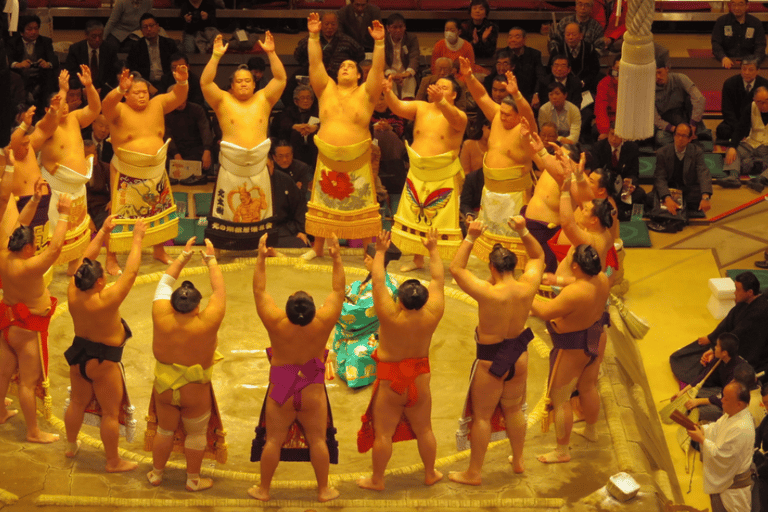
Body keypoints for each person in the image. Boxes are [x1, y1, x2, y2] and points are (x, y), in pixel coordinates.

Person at [448, 216, 545, 484]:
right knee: (514, 410)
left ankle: (474, 473)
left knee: (482, 416)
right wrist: (523, 230)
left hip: (491, 363)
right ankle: (519, 460)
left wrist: (471, 236)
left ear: (491, 267)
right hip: (519, 357)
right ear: (515, 266)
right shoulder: (528, 286)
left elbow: (456, 268)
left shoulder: (488, 292)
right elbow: (538, 256)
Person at [249, 234, 344, 502]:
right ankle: (324, 490)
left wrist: (260, 258)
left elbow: (259, 291)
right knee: (318, 440)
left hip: (281, 389)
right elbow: (338, 291)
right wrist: (336, 257)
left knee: (273, 441)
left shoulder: (276, 322)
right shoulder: (323, 321)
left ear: (287, 308)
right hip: (312, 389)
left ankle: (263, 490)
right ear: (314, 310)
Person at [356, 229, 445, 491]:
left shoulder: (390, 317)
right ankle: (430, 473)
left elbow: (378, 283)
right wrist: (433, 249)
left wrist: (381, 252)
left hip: (391, 383)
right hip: (420, 380)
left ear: (400, 301)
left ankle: (377, 479)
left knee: (384, 434)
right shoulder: (434, 312)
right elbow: (438, 278)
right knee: (425, 429)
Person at [63, 217, 146, 472]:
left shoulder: (73, 291)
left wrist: (102, 233)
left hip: (78, 357)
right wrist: (138, 238)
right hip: (103, 362)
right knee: (110, 414)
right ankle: (113, 461)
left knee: (77, 402)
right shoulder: (106, 299)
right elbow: (131, 272)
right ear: (99, 282)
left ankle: (70, 445)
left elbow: (83, 262)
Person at [301, 13, 385, 261]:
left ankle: (368, 252)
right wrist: (314, 36)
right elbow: (315, 64)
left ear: (360, 75)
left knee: (364, 207)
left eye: (351, 67)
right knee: (322, 205)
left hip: (357, 159)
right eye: (342, 66)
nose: (345, 68)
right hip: (327, 158)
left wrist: (379, 44)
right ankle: (317, 248)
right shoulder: (325, 89)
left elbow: (378, 70)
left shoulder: (367, 93)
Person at [147, 237, 226, 492]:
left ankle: (156, 474)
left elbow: (164, 283)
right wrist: (211, 259)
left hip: (165, 387)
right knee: (195, 434)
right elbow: (219, 291)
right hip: (195, 391)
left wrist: (182, 256)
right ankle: (193, 480)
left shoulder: (160, 314)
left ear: (172, 304)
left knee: (165, 430)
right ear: (197, 305)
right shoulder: (208, 321)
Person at [0, 174, 71, 443]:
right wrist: (63, 214)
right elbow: (54, 250)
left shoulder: (4, 253)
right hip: (26, 329)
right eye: (34, 245)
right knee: (28, 384)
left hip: (7, 322)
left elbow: (20, 222)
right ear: (29, 248)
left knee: (3, 372)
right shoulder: (30, 267)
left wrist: (37, 200)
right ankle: (33, 432)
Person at [201, 33, 286, 251]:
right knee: (226, 210)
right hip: (231, 165)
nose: (243, 84)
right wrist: (216, 56)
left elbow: (280, 79)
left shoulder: (264, 99)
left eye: (247, 81)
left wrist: (271, 53)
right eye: (238, 81)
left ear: (255, 84)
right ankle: (218, 247)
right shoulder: (222, 100)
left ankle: (265, 247)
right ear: (231, 85)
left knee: (262, 208)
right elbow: (205, 82)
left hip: (258, 165)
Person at [530, 244, 610, 463]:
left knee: (560, 397)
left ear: (575, 265)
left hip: (573, 346)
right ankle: (592, 431)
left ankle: (562, 451)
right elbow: (579, 282)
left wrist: (526, 293)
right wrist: (557, 281)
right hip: (596, 335)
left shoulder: (576, 293)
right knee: (588, 386)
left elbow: (546, 311)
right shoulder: (601, 278)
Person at [101, 65, 188, 266]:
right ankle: (111, 257)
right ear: (126, 95)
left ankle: (159, 250)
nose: (142, 96)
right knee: (117, 214)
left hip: (156, 170)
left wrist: (182, 82)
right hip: (126, 170)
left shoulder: (157, 104)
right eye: (136, 93)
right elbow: (106, 104)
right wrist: (119, 89)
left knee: (157, 211)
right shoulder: (118, 110)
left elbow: (177, 97)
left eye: (144, 93)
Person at [382, 71, 467, 272]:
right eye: (436, 85)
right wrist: (388, 92)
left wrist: (442, 102)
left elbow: (455, 121)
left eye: (444, 87)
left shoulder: (459, 115)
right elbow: (398, 107)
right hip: (418, 171)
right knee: (415, 216)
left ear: (454, 95)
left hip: (443, 174)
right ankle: (418, 259)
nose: (438, 89)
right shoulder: (421, 107)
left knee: (444, 220)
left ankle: (454, 265)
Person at [459, 57, 537, 264]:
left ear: (519, 116)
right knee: (492, 241)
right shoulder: (496, 116)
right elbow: (482, 96)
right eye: (501, 112)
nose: (502, 117)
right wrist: (469, 77)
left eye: (507, 115)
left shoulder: (525, 129)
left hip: (515, 195)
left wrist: (517, 94)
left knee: (515, 243)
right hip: (490, 191)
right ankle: (495, 275)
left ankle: (519, 279)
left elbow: (528, 112)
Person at [38, 68, 102, 275]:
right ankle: (45, 266)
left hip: (77, 186)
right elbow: (50, 121)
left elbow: (94, 108)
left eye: (65, 103)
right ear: (50, 108)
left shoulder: (74, 118)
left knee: (77, 228)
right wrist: (62, 90)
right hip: (56, 186)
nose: (64, 106)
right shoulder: (46, 126)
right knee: (53, 229)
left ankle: (74, 264)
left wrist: (89, 86)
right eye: (59, 103)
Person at [670, 271, 768, 383]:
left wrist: (717, 351)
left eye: (737, 289)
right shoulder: (745, 300)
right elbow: (728, 322)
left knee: (706, 372)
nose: (735, 293)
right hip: (733, 342)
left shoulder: (759, 313)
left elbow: (739, 336)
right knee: (686, 354)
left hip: (748, 352)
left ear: (750, 292)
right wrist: (711, 338)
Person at [329, 242, 400, 388]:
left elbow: (360, 314)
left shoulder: (387, 286)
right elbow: (352, 290)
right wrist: (342, 298)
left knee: (356, 358)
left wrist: (335, 306)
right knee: (339, 333)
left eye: (368, 258)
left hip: (377, 334)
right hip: (360, 329)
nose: (364, 260)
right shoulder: (371, 278)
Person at [687, 380, 756, 512]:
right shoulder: (732, 414)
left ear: (739, 404)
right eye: (723, 396)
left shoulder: (742, 428)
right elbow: (716, 428)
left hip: (732, 488)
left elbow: (722, 456)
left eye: (726, 398)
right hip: (725, 479)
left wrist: (701, 439)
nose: (722, 400)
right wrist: (702, 429)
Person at [647, 123, 712, 231]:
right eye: (678, 135)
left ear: (690, 138)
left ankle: (673, 215)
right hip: (669, 188)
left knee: (698, 198)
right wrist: (667, 198)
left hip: (688, 188)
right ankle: (678, 216)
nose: (680, 138)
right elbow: (659, 178)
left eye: (684, 136)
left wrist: (705, 197)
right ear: (674, 136)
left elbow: (703, 172)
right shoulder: (662, 152)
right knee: (650, 198)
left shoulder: (697, 152)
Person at [678, 333, 752, 422]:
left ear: (724, 353)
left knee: (699, 411)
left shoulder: (737, 372)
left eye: (717, 346)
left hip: (730, 401)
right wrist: (683, 391)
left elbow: (724, 398)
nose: (715, 348)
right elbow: (704, 375)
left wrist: (698, 402)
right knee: (692, 394)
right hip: (721, 391)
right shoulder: (720, 358)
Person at [589, 127, 645, 221]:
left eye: (618, 135)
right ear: (608, 133)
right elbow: (595, 173)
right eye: (612, 134)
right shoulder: (598, 147)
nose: (614, 139)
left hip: (623, 187)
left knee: (641, 194)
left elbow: (634, 173)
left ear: (624, 136)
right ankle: (621, 211)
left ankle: (616, 210)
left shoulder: (632, 148)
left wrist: (631, 185)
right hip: (605, 187)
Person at [165, 84, 214, 185]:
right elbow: (166, 134)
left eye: (182, 97)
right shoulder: (166, 112)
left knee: (206, 157)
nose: (180, 103)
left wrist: (207, 150)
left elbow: (205, 130)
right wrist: (175, 153)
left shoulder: (197, 109)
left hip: (195, 150)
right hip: (173, 150)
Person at [293, 12, 364, 81]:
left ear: (337, 25)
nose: (329, 27)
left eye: (333, 24)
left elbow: (360, 55)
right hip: (316, 77)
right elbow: (298, 55)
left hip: (339, 78)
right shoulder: (310, 40)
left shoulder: (347, 41)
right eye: (326, 24)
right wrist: (309, 65)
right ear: (320, 24)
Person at [723, 86, 768, 192]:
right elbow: (740, 129)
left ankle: (761, 179)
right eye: (760, 102)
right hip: (752, 143)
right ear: (755, 101)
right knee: (732, 150)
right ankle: (733, 177)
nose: (764, 105)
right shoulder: (750, 108)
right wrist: (732, 146)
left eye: (766, 101)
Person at [654, 60, 708, 147]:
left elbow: (700, 99)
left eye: (659, 72)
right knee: (660, 138)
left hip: (685, 118)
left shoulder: (680, 78)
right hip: (667, 123)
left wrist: (692, 125)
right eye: (654, 74)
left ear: (667, 68)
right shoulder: (649, 88)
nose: (657, 77)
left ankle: (691, 137)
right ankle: (686, 143)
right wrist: (675, 130)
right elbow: (655, 118)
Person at [9, 15, 58, 110]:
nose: (34, 32)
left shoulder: (45, 41)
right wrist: (18, 64)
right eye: (29, 29)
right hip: (22, 76)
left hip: (41, 76)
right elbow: (8, 60)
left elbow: (54, 59)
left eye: (36, 28)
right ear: (21, 32)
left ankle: (46, 108)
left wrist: (47, 64)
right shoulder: (13, 42)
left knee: (50, 75)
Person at [717, 58, 768, 144]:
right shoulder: (730, 83)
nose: (747, 72)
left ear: (758, 71)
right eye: (744, 69)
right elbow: (727, 110)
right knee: (722, 130)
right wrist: (739, 129)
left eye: (751, 69)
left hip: (757, 122)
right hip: (736, 122)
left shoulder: (765, 85)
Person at [548, 22, 602, 98]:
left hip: (585, 88)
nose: (570, 37)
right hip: (562, 89)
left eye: (573, 34)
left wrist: (584, 82)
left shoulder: (589, 49)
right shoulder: (558, 50)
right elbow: (549, 70)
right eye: (568, 34)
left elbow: (595, 70)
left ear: (581, 36)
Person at [65, 20, 119, 94]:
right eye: (94, 36)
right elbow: (71, 73)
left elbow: (114, 73)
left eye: (100, 36)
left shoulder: (110, 49)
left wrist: (103, 89)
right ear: (86, 35)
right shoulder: (76, 49)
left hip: (104, 90)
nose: (97, 39)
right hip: (82, 89)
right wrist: (83, 89)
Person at [126, 14, 179, 90]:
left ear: (157, 26)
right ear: (141, 30)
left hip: (167, 82)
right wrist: (147, 84)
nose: (149, 29)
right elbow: (133, 69)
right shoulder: (136, 47)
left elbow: (177, 64)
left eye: (152, 25)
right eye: (145, 27)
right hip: (146, 84)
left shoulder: (169, 44)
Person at [711, 0, 765, 69]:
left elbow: (760, 45)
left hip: (749, 63)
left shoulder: (755, 23)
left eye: (740, 4)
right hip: (727, 62)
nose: (736, 8)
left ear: (747, 5)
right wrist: (723, 57)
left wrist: (755, 61)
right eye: (734, 4)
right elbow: (715, 43)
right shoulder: (722, 21)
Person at [500, 27, 545, 107]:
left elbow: (540, 76)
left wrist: (536, 93)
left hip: (528, 94)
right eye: (510, 37)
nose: (513, 40)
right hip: (507, 93)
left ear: (524, 40)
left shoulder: (534, 54)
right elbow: (496, 76)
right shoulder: (502, 54)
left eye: (517, 37)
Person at [383, 14, 420, 100]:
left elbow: (415, 57)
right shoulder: (383, 39)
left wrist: (405, 74)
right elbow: (381, 60)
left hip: (406, 72)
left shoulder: (411, 38)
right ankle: (392, 108)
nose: (398, 30)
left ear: (405, 27)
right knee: (389, 81)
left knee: (409, 80)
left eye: (401, 27)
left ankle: (407, 106)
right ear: (388, 28)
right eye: (395, 27)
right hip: (389, 72)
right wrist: (390, 74)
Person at [594, 54, 620, 139]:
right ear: (613, 68)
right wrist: (605, 131)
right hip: (610, 120)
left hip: (627, 123)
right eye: (617, 69)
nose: (619, 72)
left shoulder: (634, 84)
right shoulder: (604, 83)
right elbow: (601, 109)